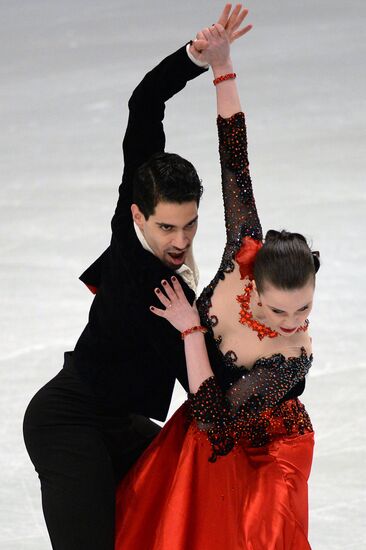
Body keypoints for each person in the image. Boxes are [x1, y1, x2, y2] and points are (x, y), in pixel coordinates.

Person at [22, 6, 243, 549]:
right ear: (137, 215)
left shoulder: (162, 233)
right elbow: (206, 386)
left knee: (190, 483)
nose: (181, 241)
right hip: (67, 421)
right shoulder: (140, 270)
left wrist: (207, 60)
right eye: (167, 227)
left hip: (119, 423)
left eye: (191, 225)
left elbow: (146, 102)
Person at [114, 8, 317, 550]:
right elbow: (234, 159)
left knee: (260, 537)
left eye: (304, 312)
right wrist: (221, 67)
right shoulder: (241, 250)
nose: (293, 325)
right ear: (254, 281)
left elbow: (217, 421)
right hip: (211, 428)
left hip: (270, 449)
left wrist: (190, 332)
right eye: (281, 312)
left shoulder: (292, 358)